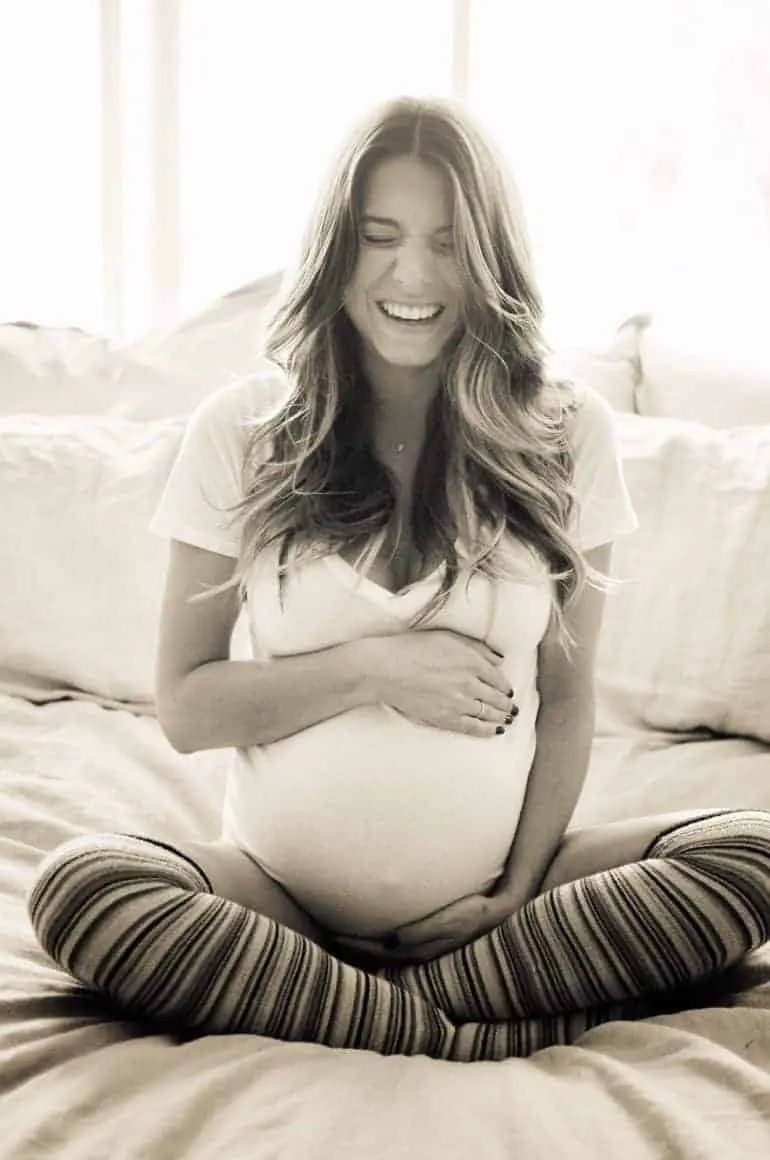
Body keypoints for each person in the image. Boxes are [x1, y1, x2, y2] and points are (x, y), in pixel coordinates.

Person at [27, 96, 770, 1062]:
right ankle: (463, 1026)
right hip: (274, 901)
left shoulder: (565, 429)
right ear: (337, 250)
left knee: (755, 853)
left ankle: (357, 1007)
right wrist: (375, 669)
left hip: (499, 909)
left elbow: (571, 692)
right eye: (379, 237)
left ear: (491, 259)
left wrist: (516, 888)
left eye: (449, 243)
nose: (412, 274)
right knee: (84, 887)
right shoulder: (244, 435)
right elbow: (187, 707)